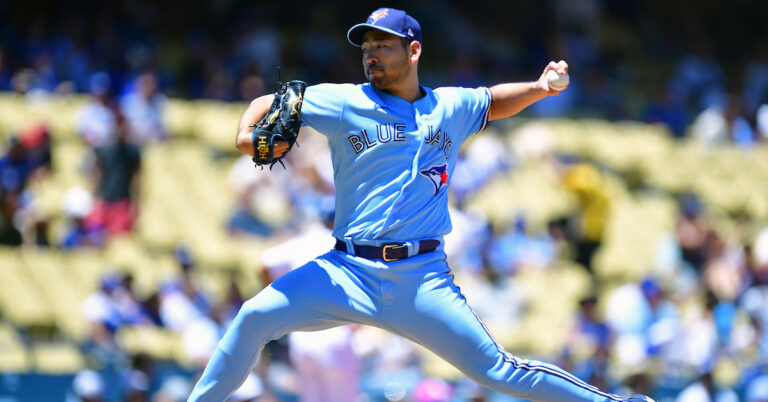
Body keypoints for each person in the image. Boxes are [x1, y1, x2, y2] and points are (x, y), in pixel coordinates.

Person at [190, 8, 653, 402]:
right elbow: (269, 100)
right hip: (345, 270)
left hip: (420, 277)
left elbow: (492, 102)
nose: (371, 52)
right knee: (253, 317)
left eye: (384, 44)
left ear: (413, 51)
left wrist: (540, 87)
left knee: (499, 371)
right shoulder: (345, 102)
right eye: (367, 44)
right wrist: (245, 134)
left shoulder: (449, 107)